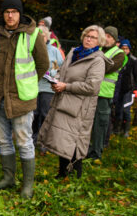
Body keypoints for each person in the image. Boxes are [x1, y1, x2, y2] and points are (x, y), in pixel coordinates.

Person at [0, 0, 48, 199]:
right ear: (2, 15)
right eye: (6, 12)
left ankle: (27, 186)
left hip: (21, 98)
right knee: (3, 140)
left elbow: (43, 64)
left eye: (14, 12)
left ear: (20, 14)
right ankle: (8, 178)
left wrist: (27, 83)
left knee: (23, 141)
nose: (10, 15)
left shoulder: (33, 35)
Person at [38, 25, 106, 178]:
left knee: (74, 140)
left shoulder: (97, 60)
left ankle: (75, 174)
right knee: (62, 139)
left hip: (80, 107)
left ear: (99, 41)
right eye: (87, 35)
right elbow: (63, 70)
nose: (88, 39)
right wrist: (55, 80)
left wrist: (66, 86)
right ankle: (63, 172)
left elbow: (92, 86)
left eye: (93, 37)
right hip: (63, 101)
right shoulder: (74, 52)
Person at [86, 25, 127, 159]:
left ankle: (96, 153)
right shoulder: (99, 50)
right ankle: (88, 149)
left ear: (115, 40)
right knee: (88, 123)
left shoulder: (119, 54)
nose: (107, 39)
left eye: (109, 37)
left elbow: (108, 67)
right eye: (105, 36)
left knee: (100, 124)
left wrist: (95, 60)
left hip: (104, 94)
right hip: (91, 91)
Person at [32, 22, 64, 144]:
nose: (40, 38)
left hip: (47, 87)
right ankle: (34, 138)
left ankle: (44, 139)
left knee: (45, 114)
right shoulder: (31, 50)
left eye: (42, 36)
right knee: (34, 114)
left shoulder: (54, 51)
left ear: (47, 37)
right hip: (34, 87)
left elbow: (58, 66)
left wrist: (51, 71)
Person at [110, 38, 137, 138]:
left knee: (126, 110)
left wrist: (135, 89)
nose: (124, 51)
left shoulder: (134, 60)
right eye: (122, 48)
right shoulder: (118, 59)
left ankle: (126, 130)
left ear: (129, 49)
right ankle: (117, 129)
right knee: (117, 109)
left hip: (129, 89)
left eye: (126, 49)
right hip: (118, 88)